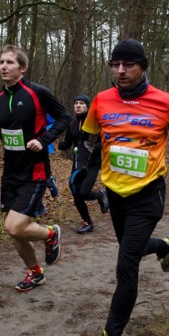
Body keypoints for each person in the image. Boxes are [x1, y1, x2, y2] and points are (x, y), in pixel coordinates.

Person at [80, 39, 169, 336]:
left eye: (127, 65)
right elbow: (90, 142)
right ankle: (163, 246)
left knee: (125, 264)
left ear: (143, 67)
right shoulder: (101, 101)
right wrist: (85, 175)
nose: (120, 71)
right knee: (132, 247)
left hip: (148, 193)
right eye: (114, 65)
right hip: (116, 192)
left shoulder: (165, 102)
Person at [0, 45, 72, 292]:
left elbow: (64, 117)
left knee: (14, 226)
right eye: (1, 62)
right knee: (15, 232)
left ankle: (50, 234)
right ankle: (35, 273)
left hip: (35, 170)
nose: (3, 66)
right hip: (10, 171)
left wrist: (44, 139)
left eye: (10, 62)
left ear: (23, 68)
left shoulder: (37, 92)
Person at [57, 94, 109, 234]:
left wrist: (86, 148)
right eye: (76, 103)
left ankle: (101, 195)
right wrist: (62, 145)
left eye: (81, 103)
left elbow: (103, 143)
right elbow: (68, 141)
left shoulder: (94, 122)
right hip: (78, 163)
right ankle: (88, 222)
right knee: (75, 192)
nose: (78, 105)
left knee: (84, 192)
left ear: (87, 106)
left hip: (92, 163)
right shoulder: (72, 123)